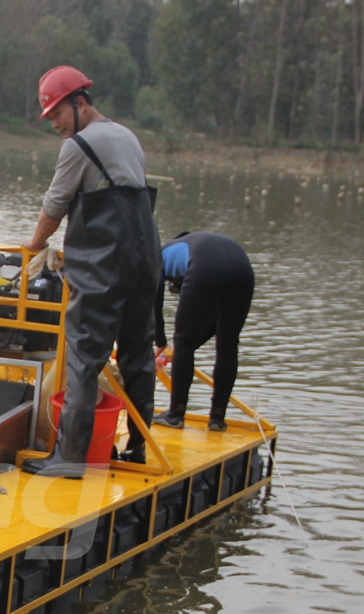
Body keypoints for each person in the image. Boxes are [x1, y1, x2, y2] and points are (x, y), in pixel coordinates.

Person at [20, 65, 161, 478]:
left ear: (80, 103)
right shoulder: (126, 136)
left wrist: (34, 246)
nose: (57, 125)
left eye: (58, 114)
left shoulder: (79, 146)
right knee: (138, 354)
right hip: (145, 257)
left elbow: (54, 206)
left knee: (83, 354)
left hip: (105, 263)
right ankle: (136, 448)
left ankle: (69, 458)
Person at [152, 232, 255, 432]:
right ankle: (217, 418)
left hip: (207, 268)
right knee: (228, 345)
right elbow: (214, 323)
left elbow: (153, 303)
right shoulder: (198, 243)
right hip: (244, 269)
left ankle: (175, 415)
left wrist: (161, 342)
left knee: (183, 341)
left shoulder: (158, 255)